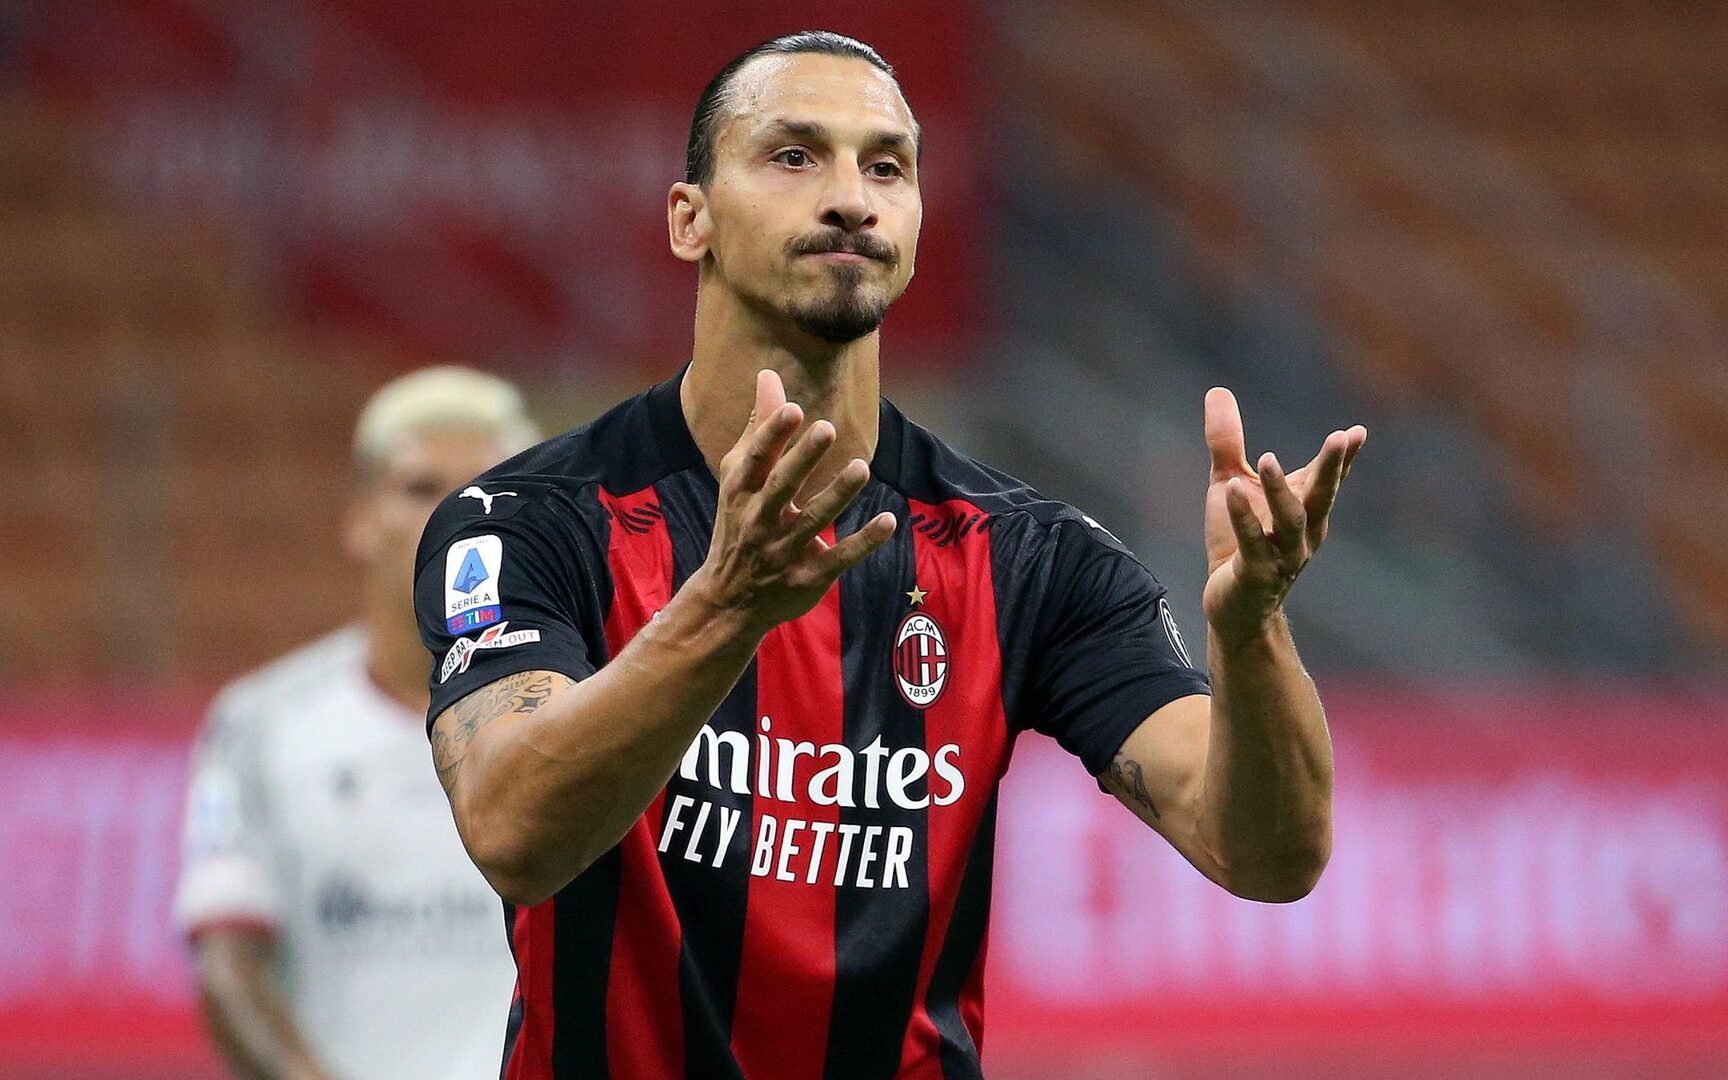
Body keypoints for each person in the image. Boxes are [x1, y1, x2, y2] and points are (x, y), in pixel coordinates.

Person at [414, 31, 1367, 1080]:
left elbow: (1269, 856)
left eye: (886, 167)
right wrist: (726, 609)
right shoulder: (528, 525)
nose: (849, 200)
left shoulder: (1028, 559)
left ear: (914, 225)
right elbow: (514, 832)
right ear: (691, 220)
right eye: (793, 156)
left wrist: (1252, 629)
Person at [175, 367, 535, 1080]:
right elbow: (228, 967)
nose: (457, 515)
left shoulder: (591, 710)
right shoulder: (257, 726)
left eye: (486, 490)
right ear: (360, 520)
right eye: (422, 488)